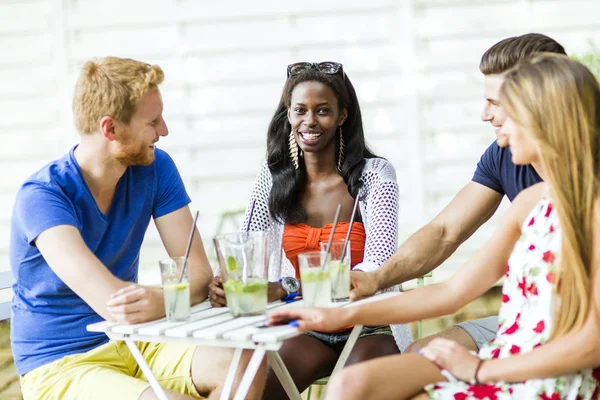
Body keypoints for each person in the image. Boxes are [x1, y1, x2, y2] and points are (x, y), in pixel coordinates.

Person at [270, 53, 600, 400]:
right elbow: (451, 291)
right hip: (507, 353)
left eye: (509, 112)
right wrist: (333, 314)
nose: (496, 123)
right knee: (353, 384)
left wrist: (479, 369)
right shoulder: (531, 203)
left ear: (547, 121)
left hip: (549, 376)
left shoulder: (591, 211)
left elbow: (591, 344)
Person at [10, 57, 265, 400]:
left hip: (137, 342)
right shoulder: (42, 196)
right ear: (110, 129)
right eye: (153, 121)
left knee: (243, 365)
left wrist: (159, 299)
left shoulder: (155, 167)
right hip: (61, 364)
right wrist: (172, 297)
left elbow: (200, 273)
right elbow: (115, 305)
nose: (164, 131)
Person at [350, 33, 567, 353]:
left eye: (495, 102)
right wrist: (376, 278)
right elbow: (444, 233)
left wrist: (480, 370)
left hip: (577, 333)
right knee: (419, 356)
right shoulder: (507, 162)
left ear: (536, 99)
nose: (484, 114)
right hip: (528, 319)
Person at [208, 61, 412, 398]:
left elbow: (378, 263)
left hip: (369, 324)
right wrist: (225, 279)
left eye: (323, 111)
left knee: (348, 392)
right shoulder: (274, 177)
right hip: (308, 326)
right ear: (288, 114)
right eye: (300, 110)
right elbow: (247, 248)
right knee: (254, 392)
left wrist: (284, 288)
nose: (310, 121)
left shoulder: (376, 176)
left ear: (342, 116)